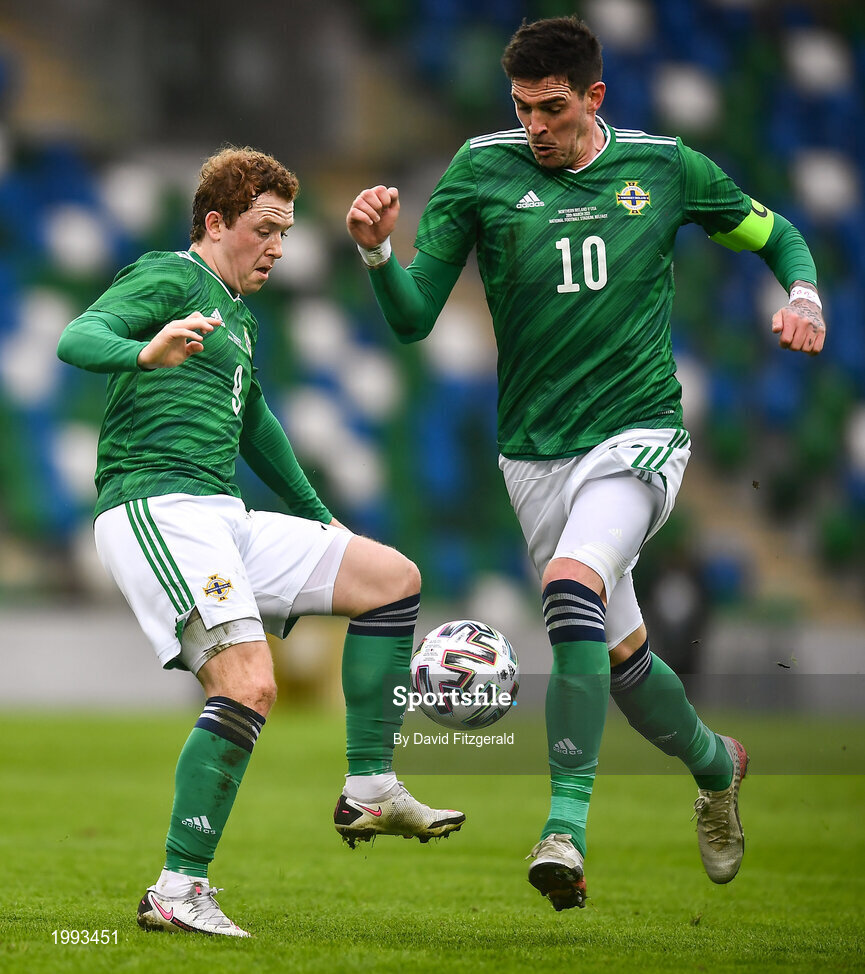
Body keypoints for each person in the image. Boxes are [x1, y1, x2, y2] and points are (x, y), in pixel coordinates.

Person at [346, 16, 825, 912]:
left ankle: (562, 828)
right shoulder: (479, 171)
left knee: (570, 587)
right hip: (533, 454)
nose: (534, 125)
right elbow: (411, 320)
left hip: (639, 433)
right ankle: (716, 765)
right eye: (522, 107)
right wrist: (376, 251)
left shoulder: (664, 168)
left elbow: (774, 234)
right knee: (623, 664)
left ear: (593, 97)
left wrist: (802, 295)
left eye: (552, 108)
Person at [57, 146, 464, 938]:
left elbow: (256, 423)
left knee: (391, 578)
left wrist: (318, 514)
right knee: (247, 685)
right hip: (158, 506)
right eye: (264, 228)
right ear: (215, 223)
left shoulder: (237, 317)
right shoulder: (170, 277)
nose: (278, 246)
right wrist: (143, 350)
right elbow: (78, 335)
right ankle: (177, 890)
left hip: (223, 513)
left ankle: (370, 787)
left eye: (284, 232)